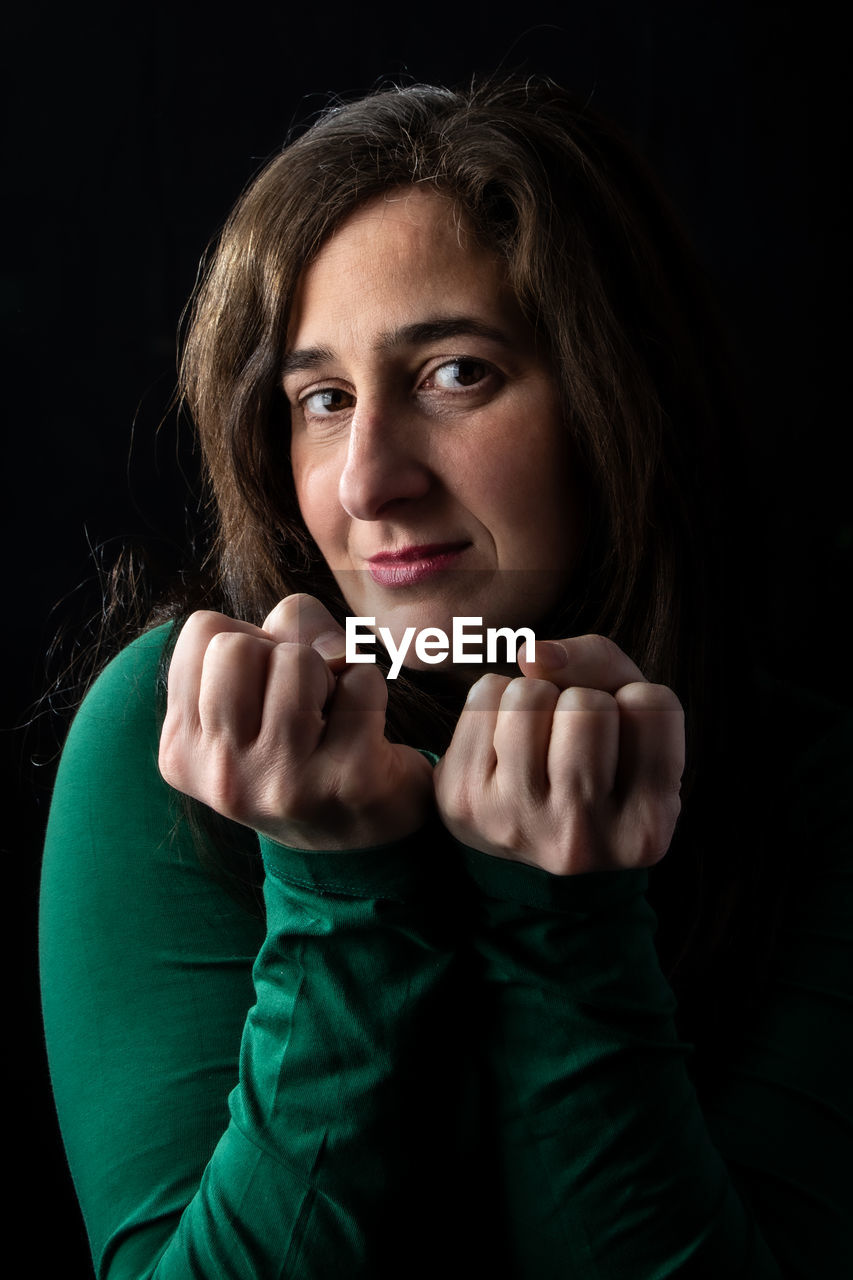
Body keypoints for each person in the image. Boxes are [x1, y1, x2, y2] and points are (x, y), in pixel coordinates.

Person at [39, 78, 851, 1278]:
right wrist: (335, 890)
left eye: (454, 373)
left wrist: (565, 920)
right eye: (322, 399)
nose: (368, 480)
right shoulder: (178, 734)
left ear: (613, 394)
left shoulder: (817, 788)